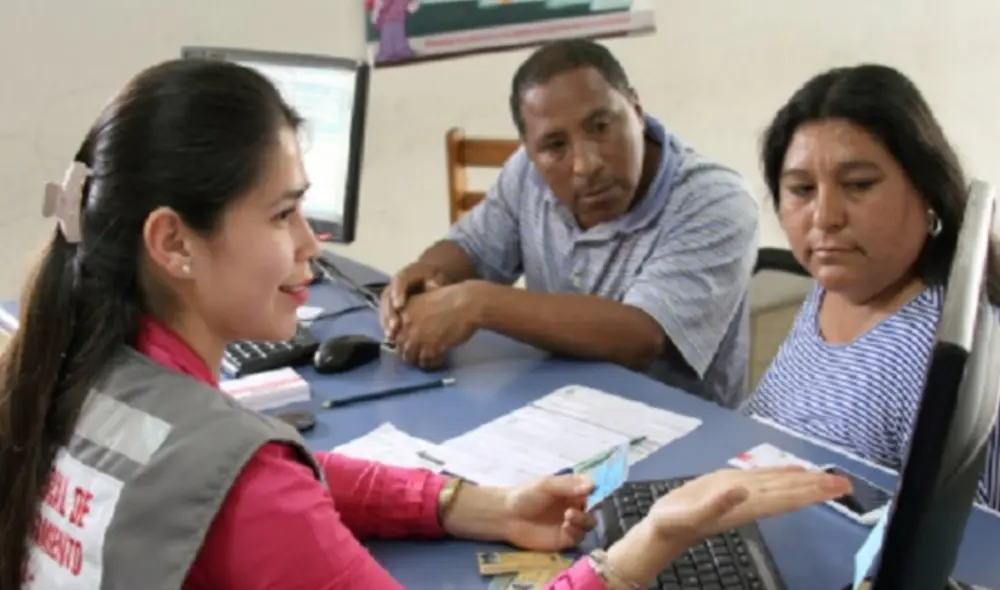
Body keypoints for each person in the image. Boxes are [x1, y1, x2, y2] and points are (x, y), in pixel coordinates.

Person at [0, 60, 851, 589]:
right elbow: (259, 489)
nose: (314, 242)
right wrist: (637, 554)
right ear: (172, 243)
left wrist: (466, 503)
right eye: (285, 213)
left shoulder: (79, 372)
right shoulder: (252, 492)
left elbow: (267, 472)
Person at [379, 39, 759, 408]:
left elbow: (641, 337)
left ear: (637, 110)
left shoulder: (715, 199)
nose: (586, 164)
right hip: (554, 408)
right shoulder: (527, 172)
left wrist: (477, 302)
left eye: (600, 126)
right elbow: (472, 249)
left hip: (683, 435)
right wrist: (424, 275)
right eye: (555, 146)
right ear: (530, 150)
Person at [743, 64, 1000, 510]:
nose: (825, 217)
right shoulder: (836, 285)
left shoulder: (953, 348)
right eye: (801, 189)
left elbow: (969, 556)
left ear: (927, 190)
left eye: (858, 185)